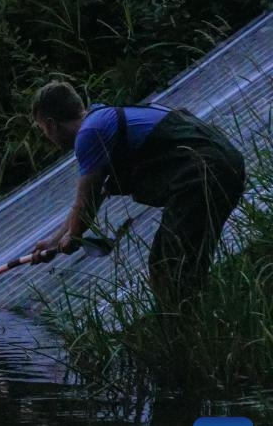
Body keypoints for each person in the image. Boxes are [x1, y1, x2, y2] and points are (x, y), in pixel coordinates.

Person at [29, 81, 246, 310]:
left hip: (202, 174)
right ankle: (204, 323)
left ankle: (188, 332)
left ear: (51, 124)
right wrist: (54, 241)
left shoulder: (90, 134)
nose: (47, 136)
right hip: (222, 166)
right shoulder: (102, 118)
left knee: (170, 267)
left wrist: (73, 236)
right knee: (183, 264)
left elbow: (85, 203)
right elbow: (95, 197)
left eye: (43, 129)